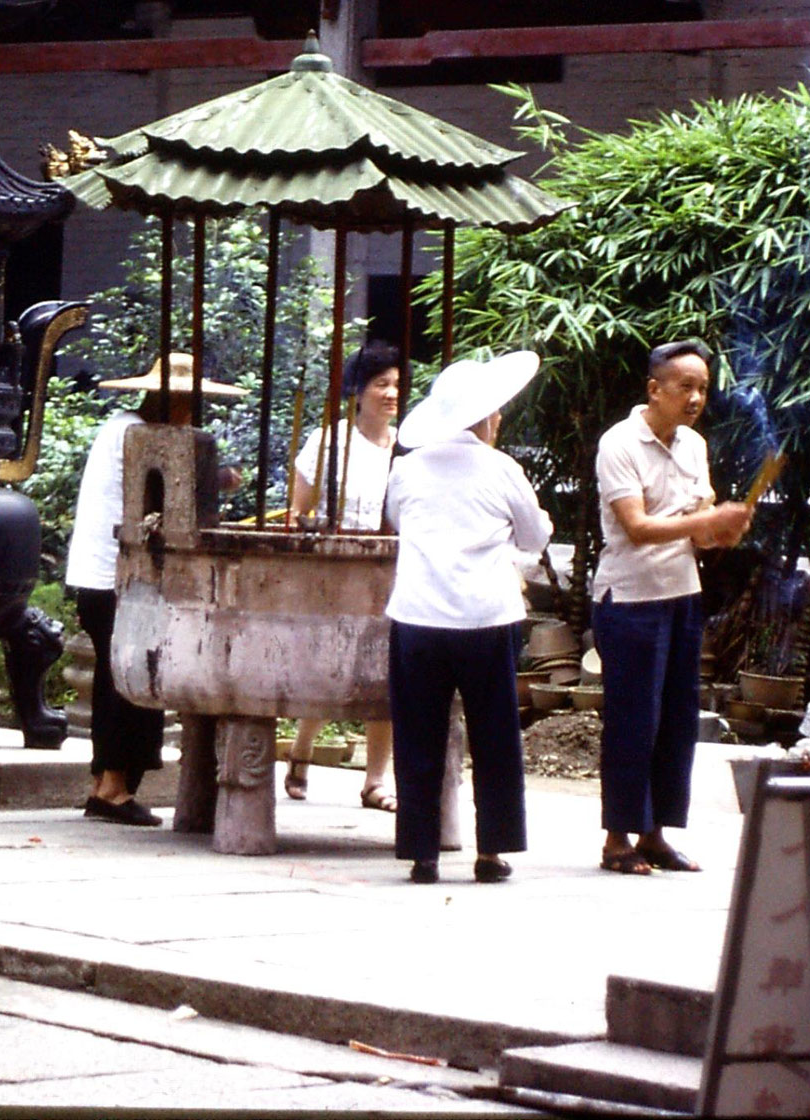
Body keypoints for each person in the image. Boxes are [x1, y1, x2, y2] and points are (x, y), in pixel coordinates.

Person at [384, 352, 552, 885]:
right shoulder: (502, 469)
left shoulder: (408, 467)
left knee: (417, 735)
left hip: (417, 616)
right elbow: (535, 537)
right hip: (486, 618)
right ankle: (492, 850)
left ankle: (421, 852)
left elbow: (394, 520)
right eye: (496, 412)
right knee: (495, 734)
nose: (499, 419)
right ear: (483, 419)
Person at [592, 338, 751, 875]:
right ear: (654, 388)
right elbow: (636, 528)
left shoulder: (693, 446)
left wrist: (721, 531)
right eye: (686, 386)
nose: (695, 398)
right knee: (633, 718)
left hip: (682, 594)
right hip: (630, 597)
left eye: (703, 388)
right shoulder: (619, 443)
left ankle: (656, 832)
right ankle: (617, 839)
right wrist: (705, 523)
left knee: (676, 719)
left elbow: (696, 531)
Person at [66, 351, 243, 827]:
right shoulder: (139, 436)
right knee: (133, 680)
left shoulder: (120, 428)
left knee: (113, 679)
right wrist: (218, 480)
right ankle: (115, 788)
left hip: (100, 575)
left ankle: (105, 781)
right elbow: (176, 497)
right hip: (119, 577)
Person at [284, 341, 400, 811]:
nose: (392, 393)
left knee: (386, 670)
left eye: (396, 384)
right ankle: (302, 749)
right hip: (335, 570)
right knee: (328, 665)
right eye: (381, 384)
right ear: (358, 391)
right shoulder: (329, 441)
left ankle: (376, 779)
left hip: (391, 569)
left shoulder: (409, 446)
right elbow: (298, 511)